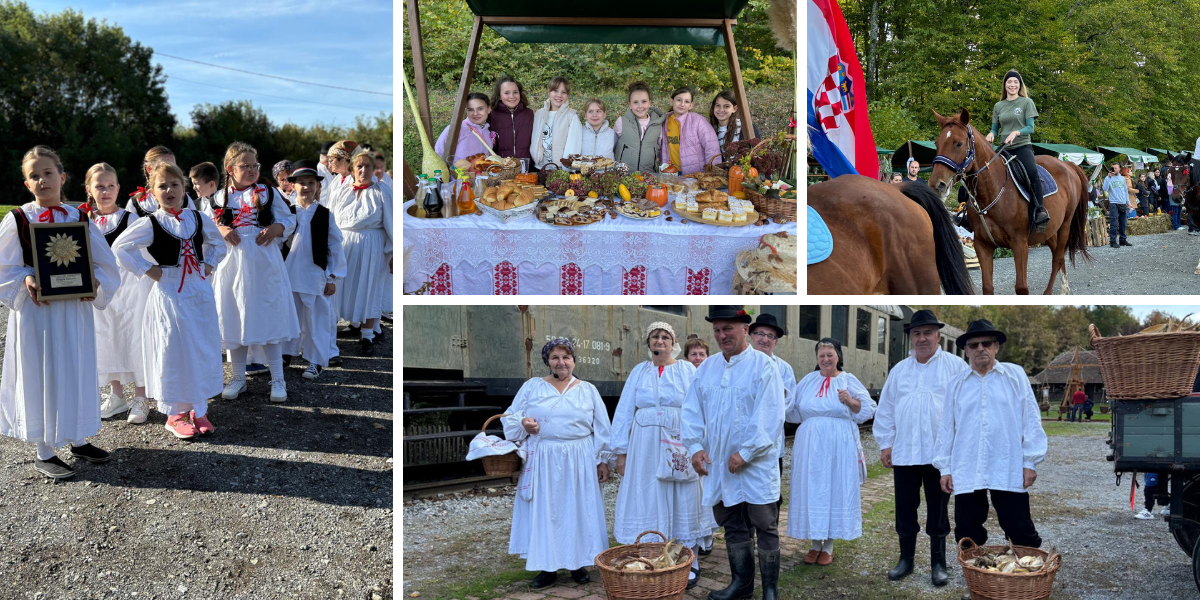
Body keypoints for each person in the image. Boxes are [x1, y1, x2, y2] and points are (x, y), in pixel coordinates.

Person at [0, 146, 122, 479]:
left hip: (73, 312)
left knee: (74, 368)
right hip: (37, 314)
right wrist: (23, 277)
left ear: (62, 176)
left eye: (48, 173)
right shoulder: (19, 219)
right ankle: (43, 450)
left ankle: (77, 437)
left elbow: (106, 263)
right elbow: (2, 267)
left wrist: (94, 283)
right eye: (34, 176)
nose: (42, 180)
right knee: (42, 372)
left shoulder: (79, 218)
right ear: (27, 184)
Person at [113, 162, 225, 439]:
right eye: (162, 186)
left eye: (174, 184)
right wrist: (149, 270)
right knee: (173, 348)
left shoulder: (197, 218)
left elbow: (219, 244)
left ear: (184, 188)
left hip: (198, 291)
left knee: (199, 347)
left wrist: (208, 266)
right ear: (152, 192)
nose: (169, 190)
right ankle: (175, 413)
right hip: (169, 292)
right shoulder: (151, 222)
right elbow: (121, 248)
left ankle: (199, 409)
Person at [682, 305, 785, 600]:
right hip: (720, 462)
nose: (722, 335)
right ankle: (741, 585)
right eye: (717, 329)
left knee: (764, 523)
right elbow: (691, 410)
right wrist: (696, 447)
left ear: (745, 330)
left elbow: (770, 415)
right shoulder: (708, 368)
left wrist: (746, 452)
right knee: (732, 523)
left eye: (728, 328)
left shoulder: (763, 367)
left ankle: (770, 590)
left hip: (755, 464)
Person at [501, 338, 612, 589]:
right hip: (545, 456)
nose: (561, 362)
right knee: (547, 510)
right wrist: (524, 424)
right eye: (555, 358)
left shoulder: (588, 390)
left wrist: (602, 460)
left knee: (578, 509)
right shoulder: (533, 387)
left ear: (574, 361)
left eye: (566, 357)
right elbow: (511, 416)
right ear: (548, 362)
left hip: (580, 457)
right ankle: (547, 566)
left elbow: (603, 429)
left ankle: (577, 563)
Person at [611, 323, 712, 588]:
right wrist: (620, 452)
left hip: (678, 441)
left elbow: (700, 407)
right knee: (649, 493)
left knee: (682, 494)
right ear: (648, 342)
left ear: (673, 342)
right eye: (655, 337)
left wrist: (699, 445)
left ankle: (689, 559)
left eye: (665, 337)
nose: (660, 341)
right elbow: (623, 411)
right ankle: (654, 554)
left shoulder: (686, 369)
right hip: (644, 447)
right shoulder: (638, 371)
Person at [934, 320, 1047, 558]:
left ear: (996, 346)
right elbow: (947, 429)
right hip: (967, 465)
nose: (980, 349)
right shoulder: (956, 384)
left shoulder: (1014, 375)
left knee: (1019, 525)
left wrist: (1030, 461)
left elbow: (1031, 419)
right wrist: (945, 467)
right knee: (967, 529)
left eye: (986, 343)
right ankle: (978, 580)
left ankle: (1027, 580)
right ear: (966, 350)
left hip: (1007, 463)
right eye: (974, 345)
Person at [873, 310, 969, 586]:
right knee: (905, 508)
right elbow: (887, 410)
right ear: (911, 338)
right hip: (905, 452)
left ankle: (938, 563)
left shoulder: (955, 367)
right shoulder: (900, 370)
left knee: (938, 511)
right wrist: (885, 444)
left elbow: (964, 410)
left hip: (939, 456)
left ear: (938, 336)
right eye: (917, 333)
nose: (922, 338)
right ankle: (906, 560)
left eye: (928, 332)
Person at [205, 141, 300, 404]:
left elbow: (290, 219)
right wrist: (221, 230)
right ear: (230, 169)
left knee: (267, 313)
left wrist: (275, 229)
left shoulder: (267, 192)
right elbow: (202, 228)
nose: (251, 170)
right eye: (244, 165)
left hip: (264, 262)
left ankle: (278, 378)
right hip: (232, 263)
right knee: (235, 314)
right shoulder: (218, 198)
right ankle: (238, 377)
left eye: (254, 165)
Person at [787, 338, 876, 567]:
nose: (826, 359)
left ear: (838, 356)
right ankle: (815, 543)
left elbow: (866, 410)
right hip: (810, 445)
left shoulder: (848, 380)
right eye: (821, 355)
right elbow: (793, 411)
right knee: (814, 488)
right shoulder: (808, 380)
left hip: (838, 444)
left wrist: (850, 400)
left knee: (834, 487)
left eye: (830, 354)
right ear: (817, 359)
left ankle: (829, 545)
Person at [82, 163, 151, 424]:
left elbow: (141, 253)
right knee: (107, 338)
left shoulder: (130, 219)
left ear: (119, 188)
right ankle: (117, 394)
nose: (106, 191)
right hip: (100, 291)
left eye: (111, 186)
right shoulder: (85, 222)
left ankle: (141, 397)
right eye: (100, 186)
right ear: (89, 189)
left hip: (130, 290)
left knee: (133, 339)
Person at [280, 160, 345, 381]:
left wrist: (332, 276)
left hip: (315, 275)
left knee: (317, 319)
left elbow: (335, 246)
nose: (306, 187)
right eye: (301, 183)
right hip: (289, 274)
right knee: (289, 316)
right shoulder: (286, 213)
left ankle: (316, 360)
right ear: (292, 186)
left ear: (318, 186)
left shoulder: (325, 214)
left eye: (311, 182)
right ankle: (285, 355)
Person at [334, 150, 393, 355]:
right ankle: (330, 334)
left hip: (372, 244)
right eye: (359, 166)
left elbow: (391, 223)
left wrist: (393, 252)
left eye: (368, 166)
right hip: (344, 244)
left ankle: (367, 336)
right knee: (340, 287)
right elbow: (332, 220)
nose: (363, 170)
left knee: (369, 287)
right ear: (352, 169)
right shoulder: (342, 190)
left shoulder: (382, 190)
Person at [984, 70, 1048, 231]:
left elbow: (1030, 128)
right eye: (1009, 82)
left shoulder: (1027, 103)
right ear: (1004, 85)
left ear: (1019, 85)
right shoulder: (998, 106)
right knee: (982, 171)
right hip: (1004, 148)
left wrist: (1016, 132)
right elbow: (994, 128)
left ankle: (1039, 211)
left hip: (1022, 146)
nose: (1012, 85)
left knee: (1032, 172)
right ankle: (968, 213)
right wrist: (991, 133)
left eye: (1015, 82)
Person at [660, 87, 721, 175]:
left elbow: (712, 148)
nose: (682, 104)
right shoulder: (664, 121)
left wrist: (711, 173)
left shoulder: (698, 121)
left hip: (694, 175)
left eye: (687, 101)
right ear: (671, 101)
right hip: (670, 172)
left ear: (691, 105)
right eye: (679, 100)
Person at [530, 77, 583, 170]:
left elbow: (574, 145)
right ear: (548, 92)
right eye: (555, 91)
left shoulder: (572, 116)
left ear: (568, 95)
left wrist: (566, 168)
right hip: (539, 167)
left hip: (560, 169)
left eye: (564, 92)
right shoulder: (538, 114)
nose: (559, 95)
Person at [614, 81, 667, 173]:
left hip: (648, 174)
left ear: (649, 103)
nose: (640, 106)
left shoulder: (657, 124)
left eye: (644, 101)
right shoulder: (622, 122)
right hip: (624, 175)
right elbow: (614, 146)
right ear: (630, 105)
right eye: (635, 102)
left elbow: (659, 148)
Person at [126, 146, 194, 217]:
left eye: (173, 166)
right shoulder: (136, 203)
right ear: (149, 169)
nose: (170, 170)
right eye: (164, 166)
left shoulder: (184, 199)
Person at [433, 92, 497, 164]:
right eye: (470, 109)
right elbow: (438, 154)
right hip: (458, 175)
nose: (475, 113)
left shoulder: (488, 132)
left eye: (480, 109)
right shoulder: (457, 128)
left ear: (489, 109)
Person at [487, 76, 535, 161]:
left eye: (515, 92)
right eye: (506, 93)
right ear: (499, 96)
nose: (512, 96)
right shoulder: (491, 115)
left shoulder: (529, 114)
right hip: (502, 168)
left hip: (527, 168)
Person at [1103, 163, 1131, 248]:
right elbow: (1104, 189)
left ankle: (1123, 240)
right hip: (1114, 203)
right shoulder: (1108, 178)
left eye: (1116, 168)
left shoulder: (1122, 178)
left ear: (1119, 169)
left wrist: (1128, 202)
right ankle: (1113, 241)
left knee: (1123, 222)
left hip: (1123, 202)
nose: (1114, 169)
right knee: (1114, 223)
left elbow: (1125, 191)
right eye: (1113, 168)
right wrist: (1109, 177)